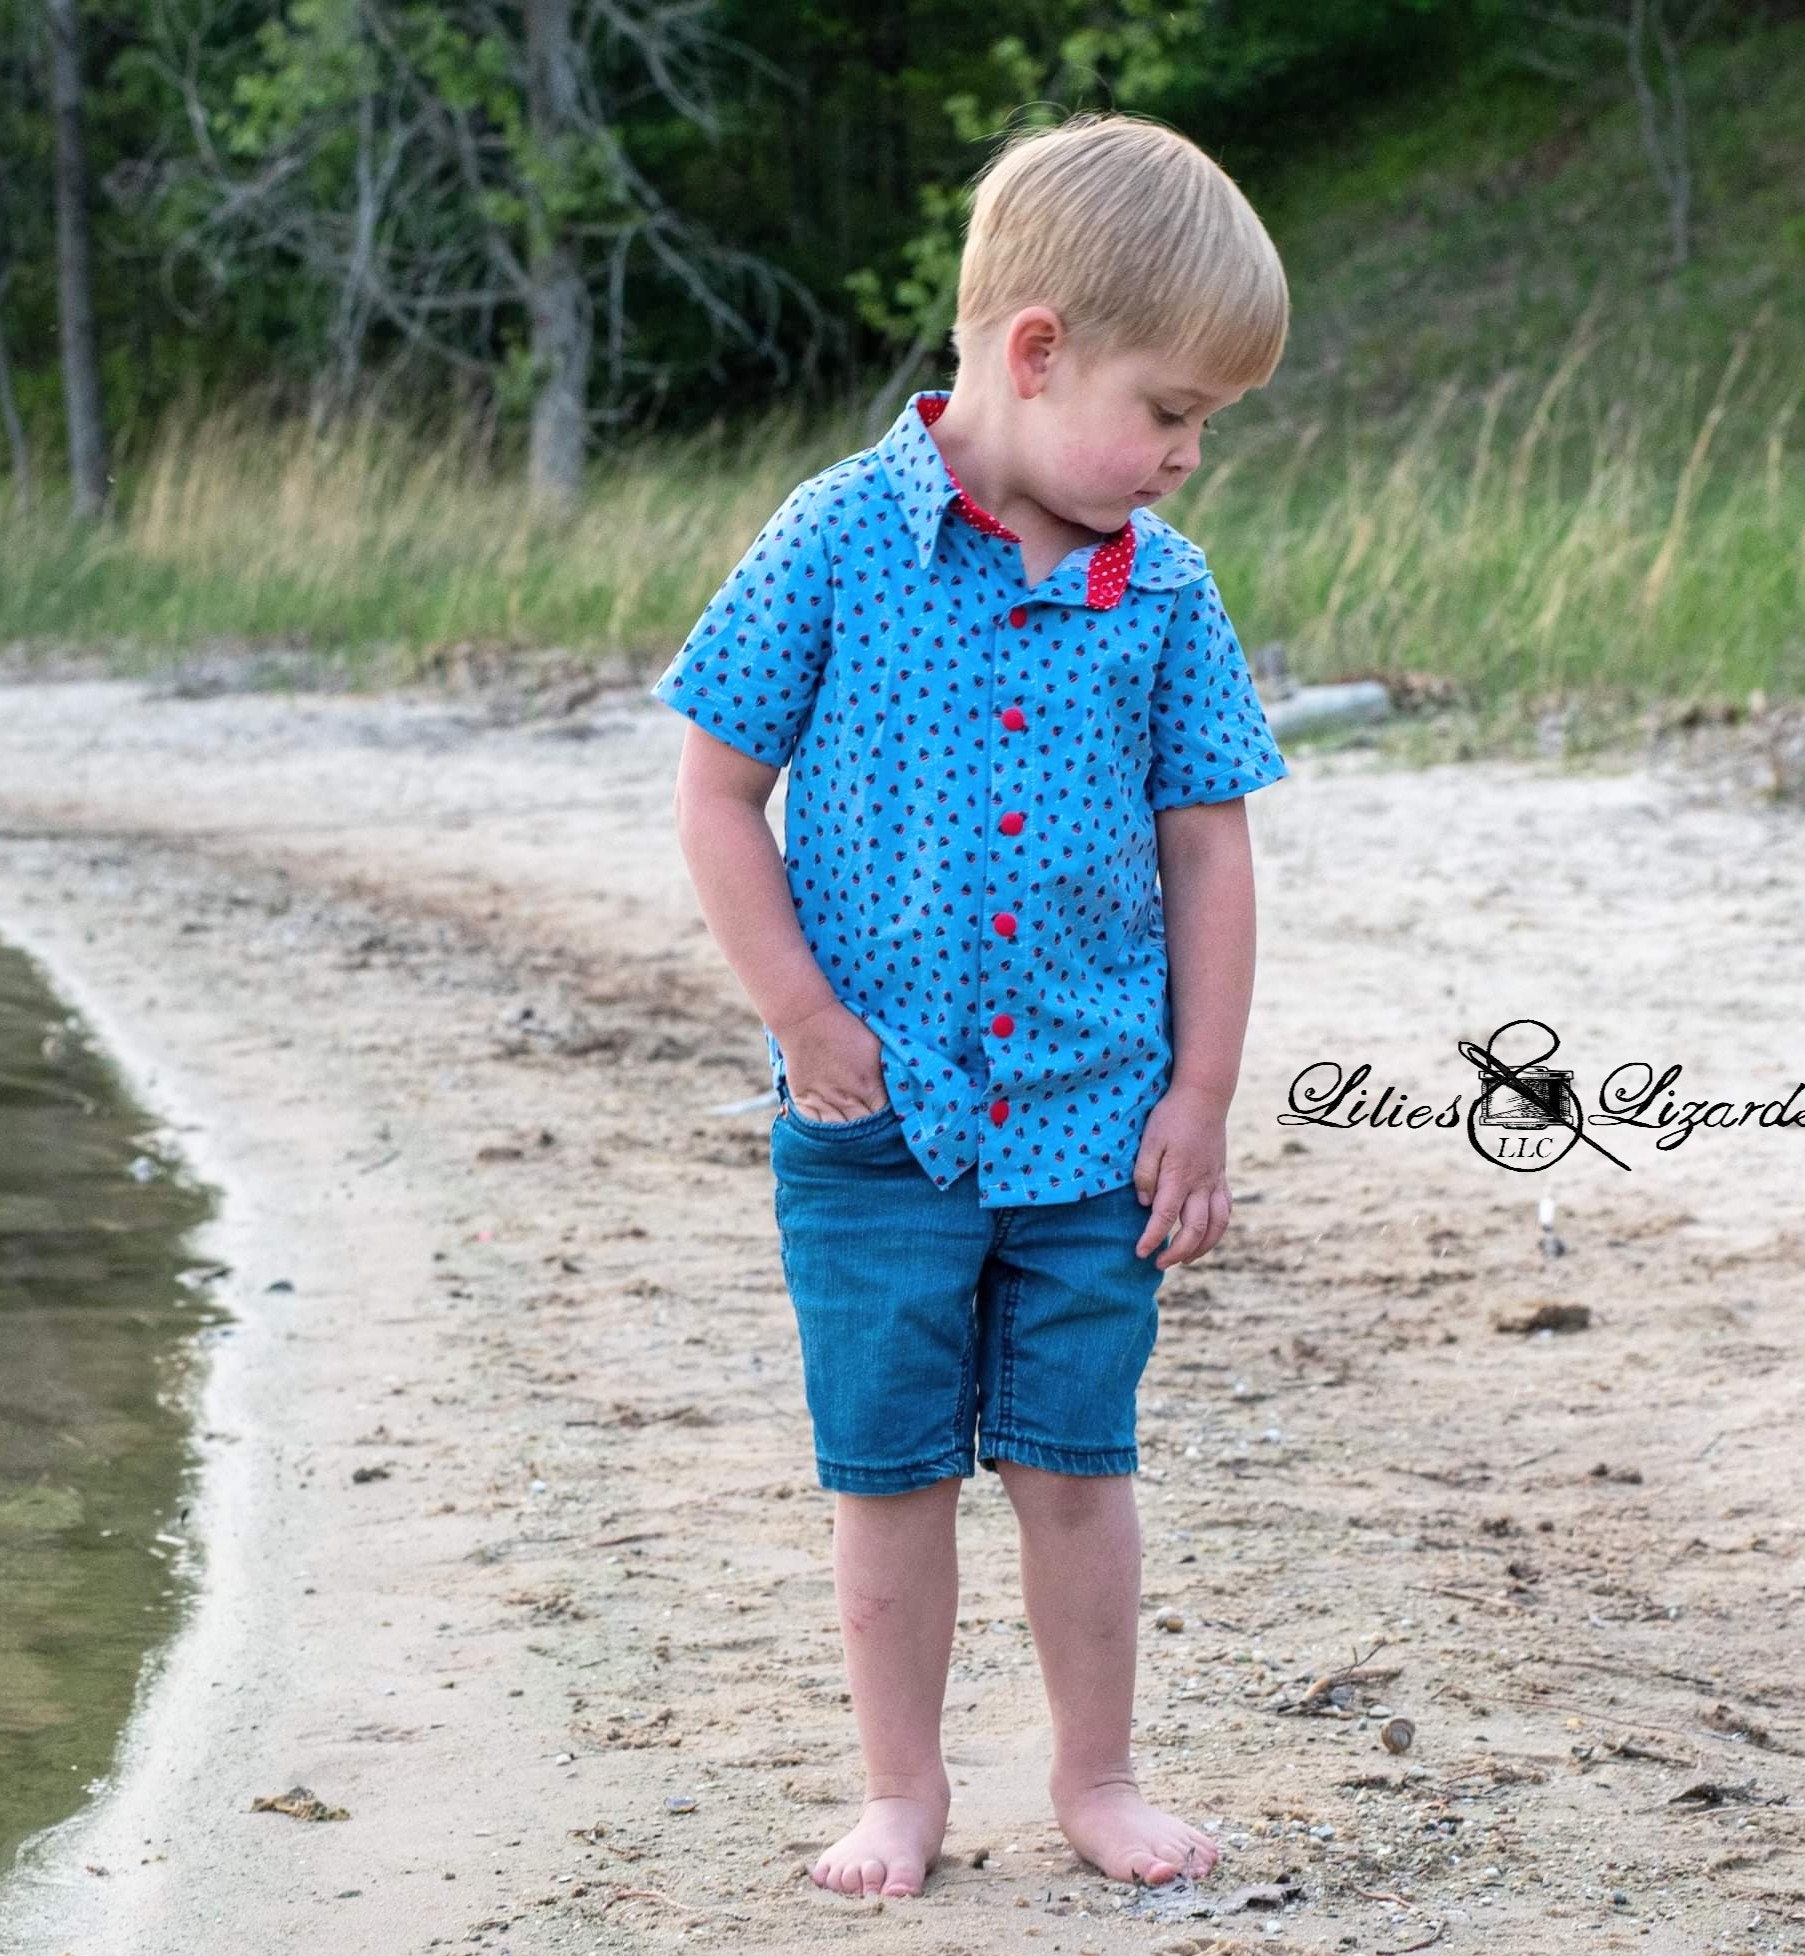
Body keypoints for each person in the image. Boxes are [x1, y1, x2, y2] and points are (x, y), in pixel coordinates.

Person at [651, 109, 1290, 1902]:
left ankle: (1098, 1777)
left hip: (1096, 1122)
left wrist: (1202, 1097)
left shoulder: (1164, 591)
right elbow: (715, 790)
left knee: (1078, 1466)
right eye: (1171, 413)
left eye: (1204, 427)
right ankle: (902, 1792)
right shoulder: (837, 538)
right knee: (890, 1474)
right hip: (873, 1123)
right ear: (1037, 351)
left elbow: (1209, 852)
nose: (1187, 458)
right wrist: (800, 1016)